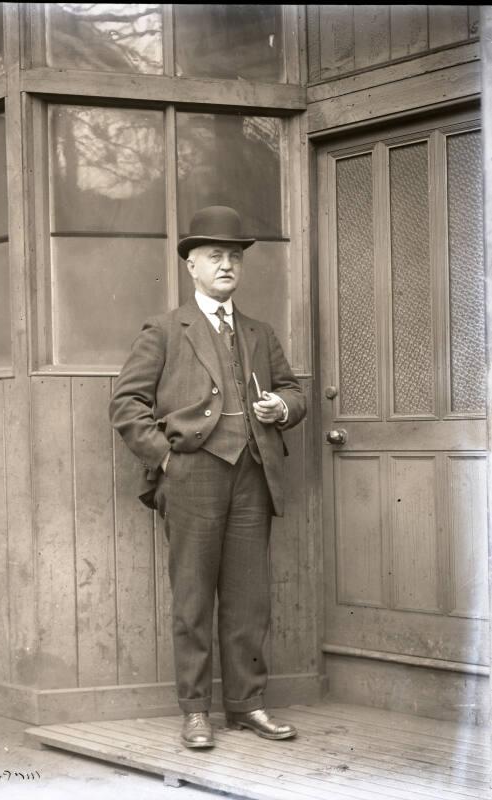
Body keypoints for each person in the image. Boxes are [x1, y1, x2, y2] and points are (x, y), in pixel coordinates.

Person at [109, 205, 307, 748]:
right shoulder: (166, 329)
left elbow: (294, 391)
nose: (227, 265)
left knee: (249, 598)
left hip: (253, 474)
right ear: (191, 266)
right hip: (192, 474)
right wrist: (168, 459)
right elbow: (127, 404)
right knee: (193, 598)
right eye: (215, 256)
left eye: (235, 256)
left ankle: (247, 706)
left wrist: (280, 409)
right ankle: (195, 710)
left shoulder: (260, 333)